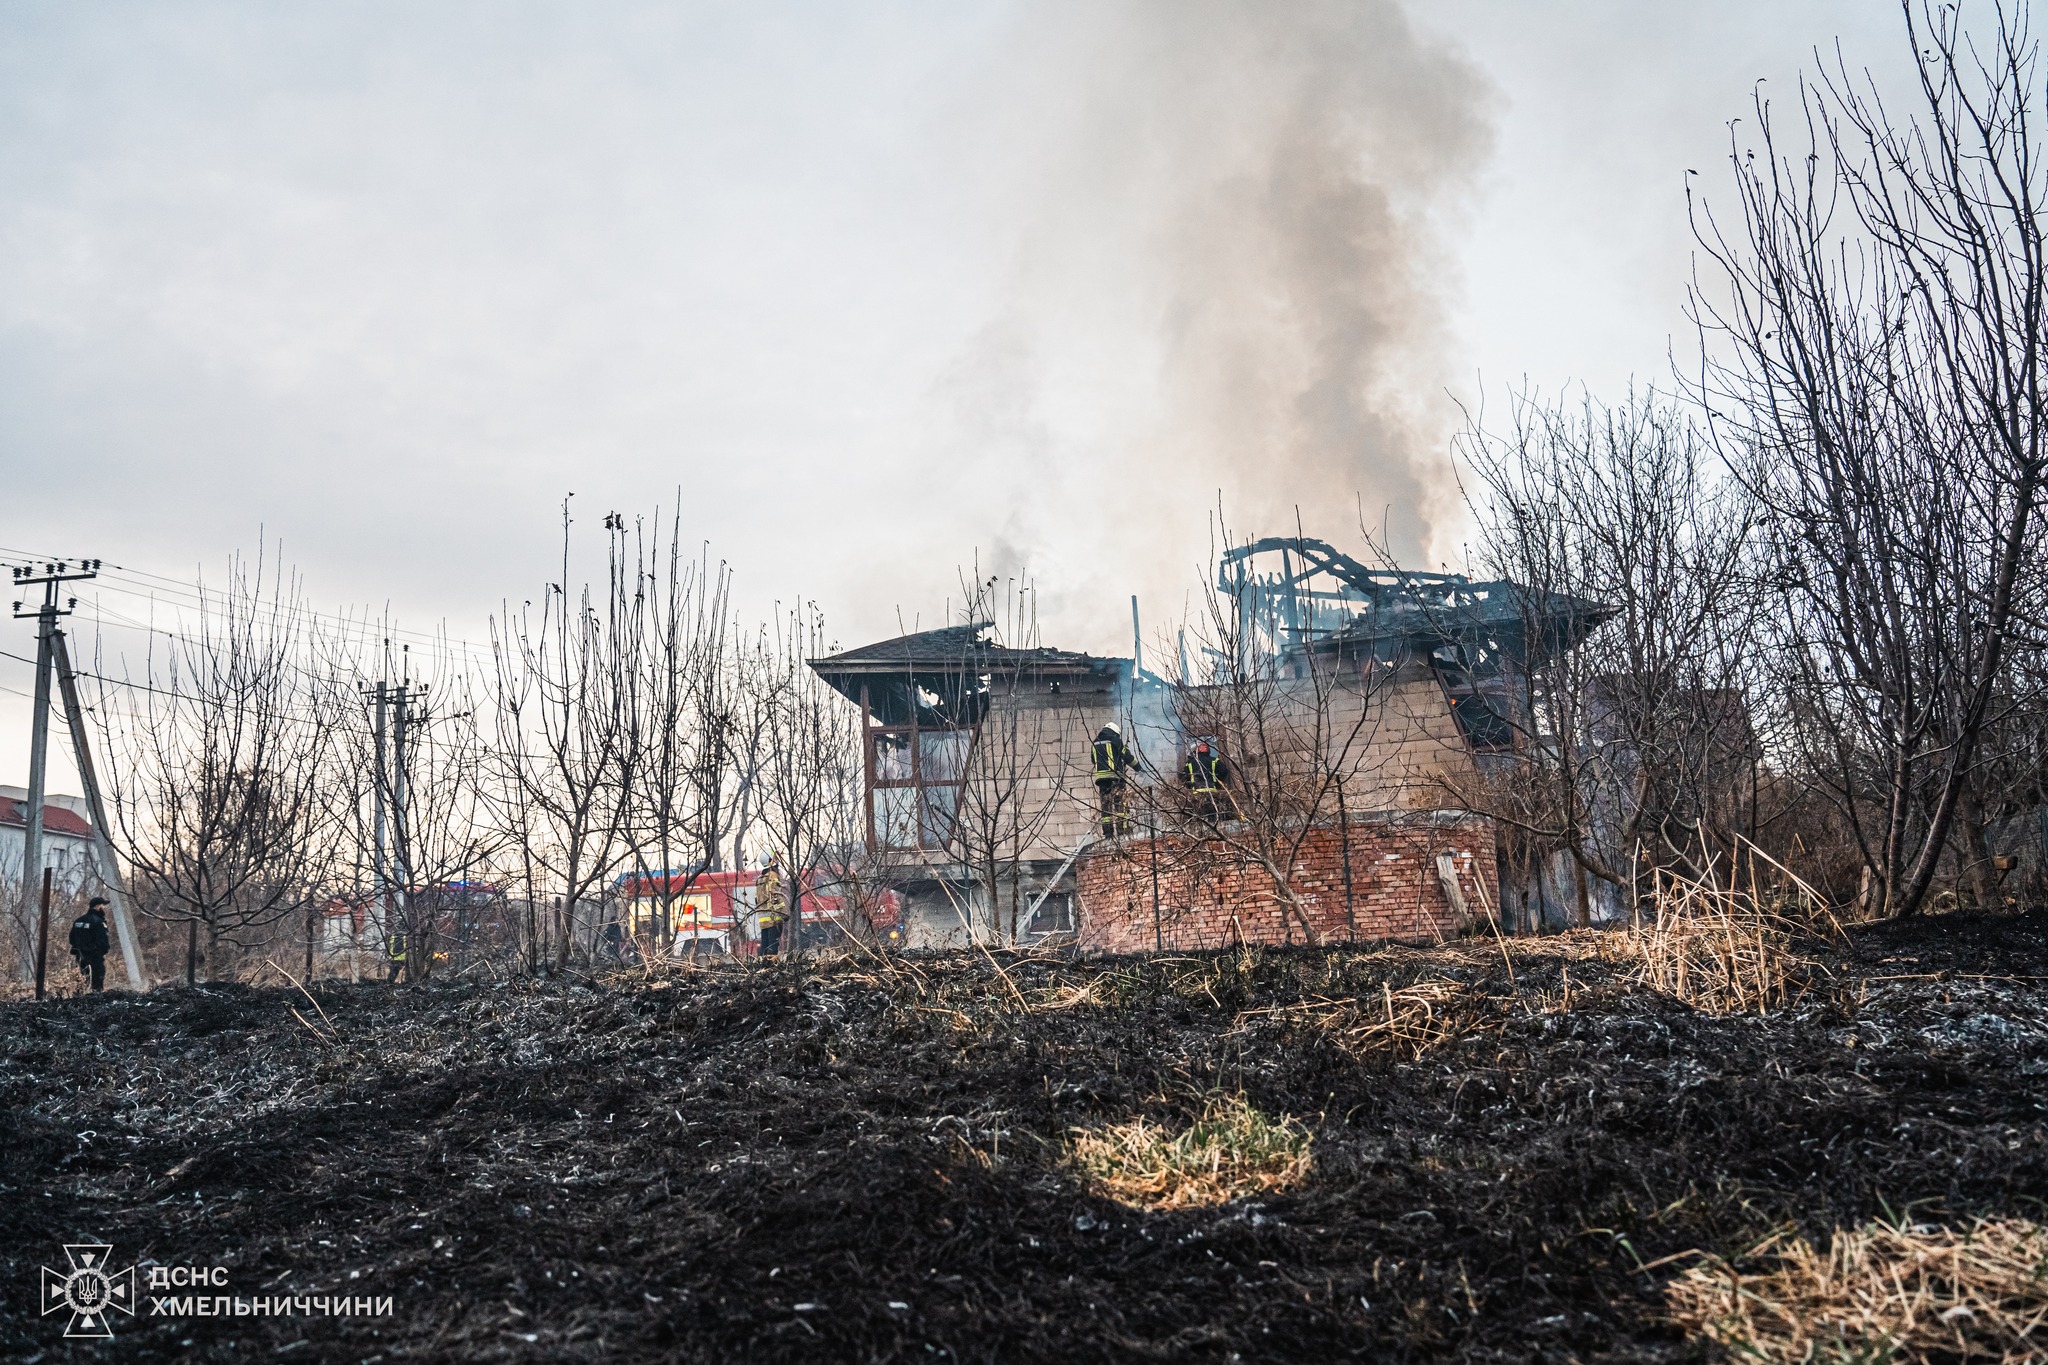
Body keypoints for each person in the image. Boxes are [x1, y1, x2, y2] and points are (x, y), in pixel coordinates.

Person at [1091, 721, 1141, 838]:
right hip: (1116, 778)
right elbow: (1127, 756)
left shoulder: (1095, 743)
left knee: (1106, 806)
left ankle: (1108, 833)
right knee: (1120, 805)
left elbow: (1094, 760)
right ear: (1115, 732)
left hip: (1102, 780)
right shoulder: (1115, 740)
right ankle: (1122, 830)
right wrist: (1139, 768)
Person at [68, 897, 111, 993]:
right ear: (98, 906)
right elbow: (103, 941)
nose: (105, 908)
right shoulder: (98, 921)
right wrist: (102, 951)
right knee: (97, 981)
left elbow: (71, 939)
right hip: (95, 956)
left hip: (80, 955)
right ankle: (95, 1000)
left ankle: (81, 998)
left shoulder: (78, 921)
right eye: (103, 905)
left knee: (82, 980)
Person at [1183, 739, 1232, 821]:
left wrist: (1190, 786)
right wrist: (1217, 782)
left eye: (1206, 745)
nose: (1206, 746)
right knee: (1213, 816)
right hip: (1211, 792)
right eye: (1202, 745)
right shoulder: (1214, 760)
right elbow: (1224, 771)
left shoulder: (1189, 763)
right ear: (1197, 749)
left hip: (1196, 793)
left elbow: (1185, 777)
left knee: (1200, 818)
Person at [756, 854, 788, 957]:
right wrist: (783, 912)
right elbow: (775, 895)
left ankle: (762, 965)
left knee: (764, 945)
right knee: (773, 946)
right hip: (773, 917)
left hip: (763, 918)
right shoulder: (772, 876)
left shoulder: (760, 879)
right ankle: (771, 967)